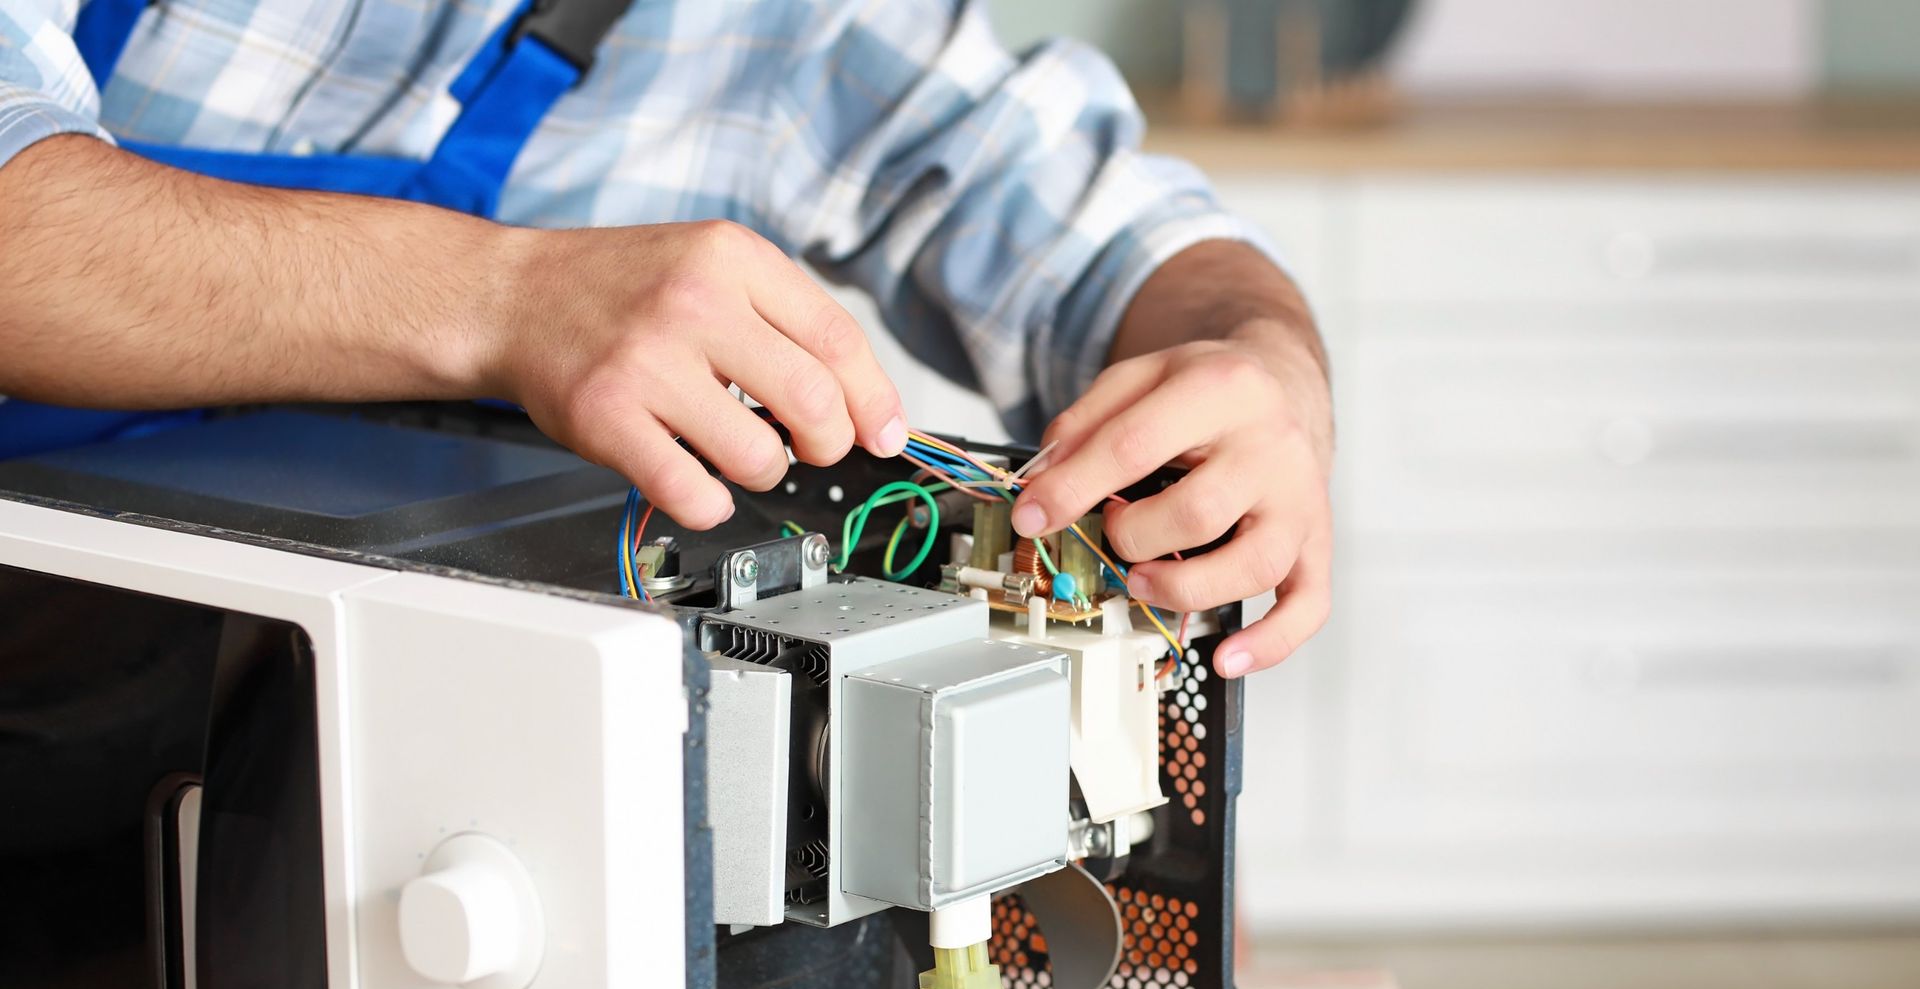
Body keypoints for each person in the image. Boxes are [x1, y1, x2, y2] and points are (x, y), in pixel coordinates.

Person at [0, 0, 1331, 676]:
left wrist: (1265, 367)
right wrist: (504, 301)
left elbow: (1122, 245)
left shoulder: (784, 27)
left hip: (352, 794)